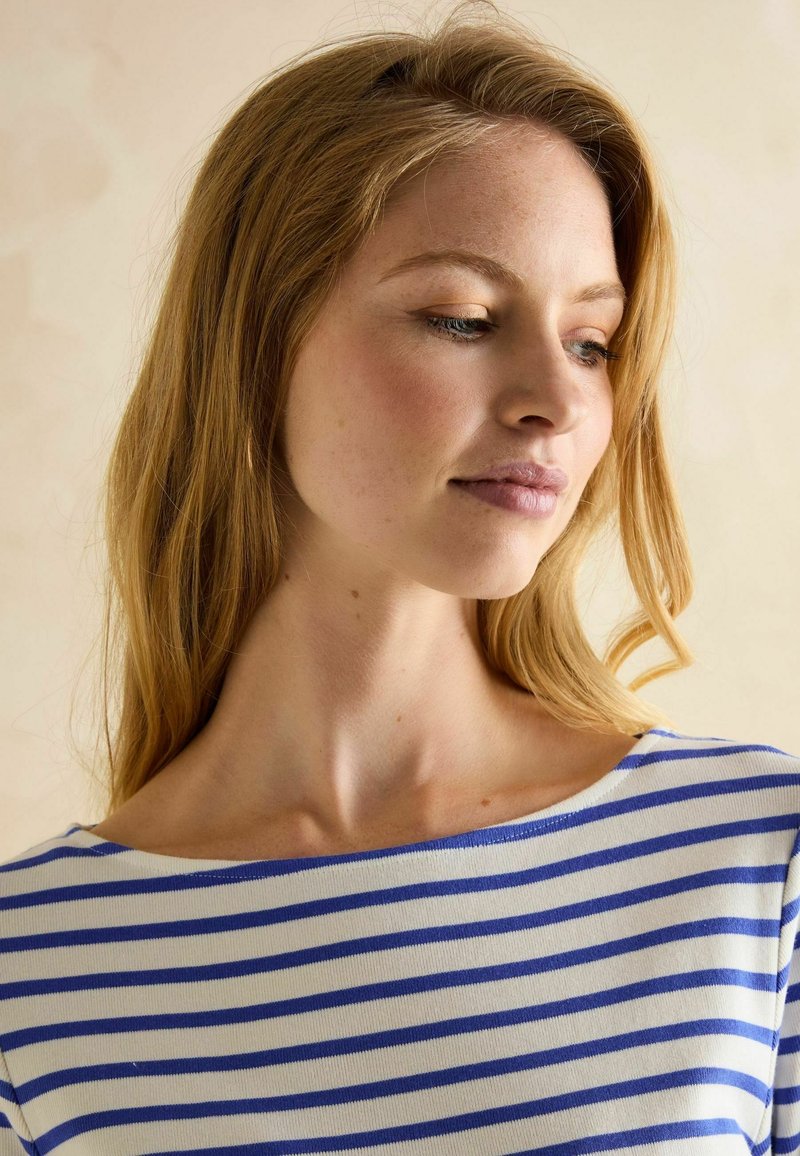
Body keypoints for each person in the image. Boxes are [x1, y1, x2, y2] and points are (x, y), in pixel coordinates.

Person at [1, 3, 798, 1151]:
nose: (558, 400)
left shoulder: (751, 861)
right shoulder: (33, 971)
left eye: (590, 341)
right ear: (255, 341)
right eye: (461, 318)